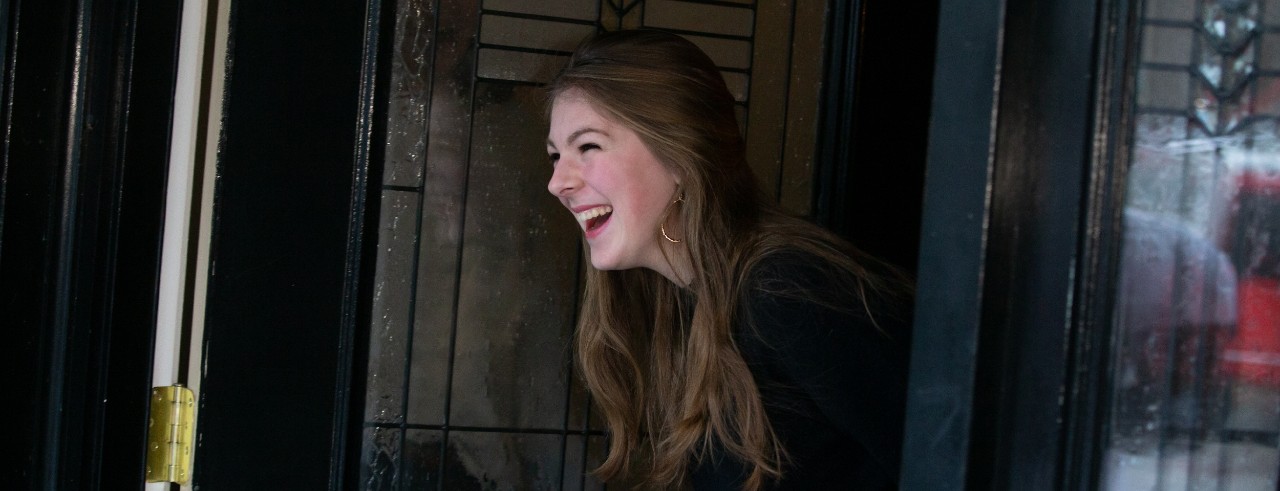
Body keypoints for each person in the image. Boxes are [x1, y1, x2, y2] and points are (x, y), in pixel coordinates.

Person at [544, 29, 912, 490]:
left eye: (588, 147)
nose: (558, 182)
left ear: (679, 154)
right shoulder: (677, 305)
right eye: (556, 156)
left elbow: (945, 460)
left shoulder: (786, 291)